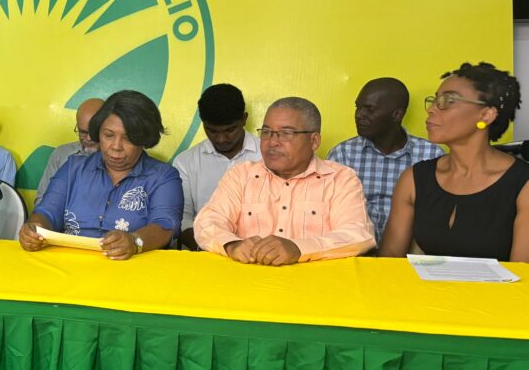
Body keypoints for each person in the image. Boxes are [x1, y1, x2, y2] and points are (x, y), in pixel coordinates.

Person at [194, 97, 375, 265]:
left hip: (316, 288)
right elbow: (207, 222)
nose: (272, 142)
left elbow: (358, 235)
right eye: (266, 132)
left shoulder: (340, 179)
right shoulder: (241, 175)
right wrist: (231, 244)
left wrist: (299, 248)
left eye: (286, 133)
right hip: (248, 285)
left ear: (314, 141)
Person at [380, 62, 529, 262]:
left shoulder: (523, 184)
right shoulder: (414, 179)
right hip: (425, 292)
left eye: (448, 100)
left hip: (498, 293)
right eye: (434, 100)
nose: (432, 109)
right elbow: (389, 259)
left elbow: (523, 276)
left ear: (486, 115)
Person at [19, 90, 183, 260]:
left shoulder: (163, 177)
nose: (116, 146)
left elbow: (166, 225)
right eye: (108, 135)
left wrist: (135, 242)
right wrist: (34, 229)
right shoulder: (73, 167)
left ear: (144, 140)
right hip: (71, 266)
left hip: (131, 272)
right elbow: (47, 211)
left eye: (128, 139)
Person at [328, 78, 443, 243]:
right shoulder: (343, 154)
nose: (359, 115)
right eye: (358, 107)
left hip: (411, 255)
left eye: (369, 109)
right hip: (355, 253)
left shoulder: (431, 155)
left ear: (397, 115)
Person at [171, 84, 262, 250]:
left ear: (244, 119)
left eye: (230, 130)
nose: (221, 139)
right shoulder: (186, 162)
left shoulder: (267, 156)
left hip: (261, 254)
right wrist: (211, 247)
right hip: (206, 254)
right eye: (211, 131)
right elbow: (182, 217)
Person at [35, 97, 103, 201]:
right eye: (82, 132)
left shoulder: (117, 158)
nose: (88, 138)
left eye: (93, 132)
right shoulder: (61, 154)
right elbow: (42, 199)